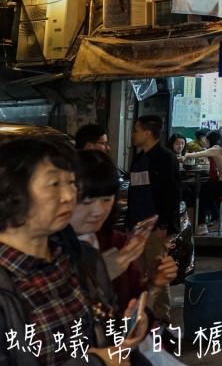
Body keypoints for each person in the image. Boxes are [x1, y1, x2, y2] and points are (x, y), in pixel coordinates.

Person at [0, 138, 148, 366]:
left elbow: (101, 333)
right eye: (54, 184)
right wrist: (94, 362)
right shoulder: (7, 279)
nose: (69, 196)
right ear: (11, 191)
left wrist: (124, 330)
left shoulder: (82, 258)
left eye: (71, 183)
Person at [70, 151, 177, 327]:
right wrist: (111, 267)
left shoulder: (118, 242)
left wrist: (154, 282)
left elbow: (135, 311)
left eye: (106, 200)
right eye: (86, 202)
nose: (98, 211)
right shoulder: (48, 248)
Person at [127, 115, 180, 324]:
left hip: (156, 228)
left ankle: (161, 319)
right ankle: (142, 318)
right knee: (139, 275)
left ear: (148, 133)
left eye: (136, 130)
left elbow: (172, 194)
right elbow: (135, 194)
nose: (134, 134)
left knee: (158, 271)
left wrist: (165, 225)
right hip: (137, 228)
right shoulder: (139, 159)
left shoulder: (165, 158)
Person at [183, 130, 222, 233]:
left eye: (207, 140)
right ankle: (219, 222)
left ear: (211, 140)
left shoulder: (217, 148)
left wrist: (186, 156)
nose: (206, 142)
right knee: (211, 192)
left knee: (202, 193)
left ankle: (201, 225)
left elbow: (200, 153)